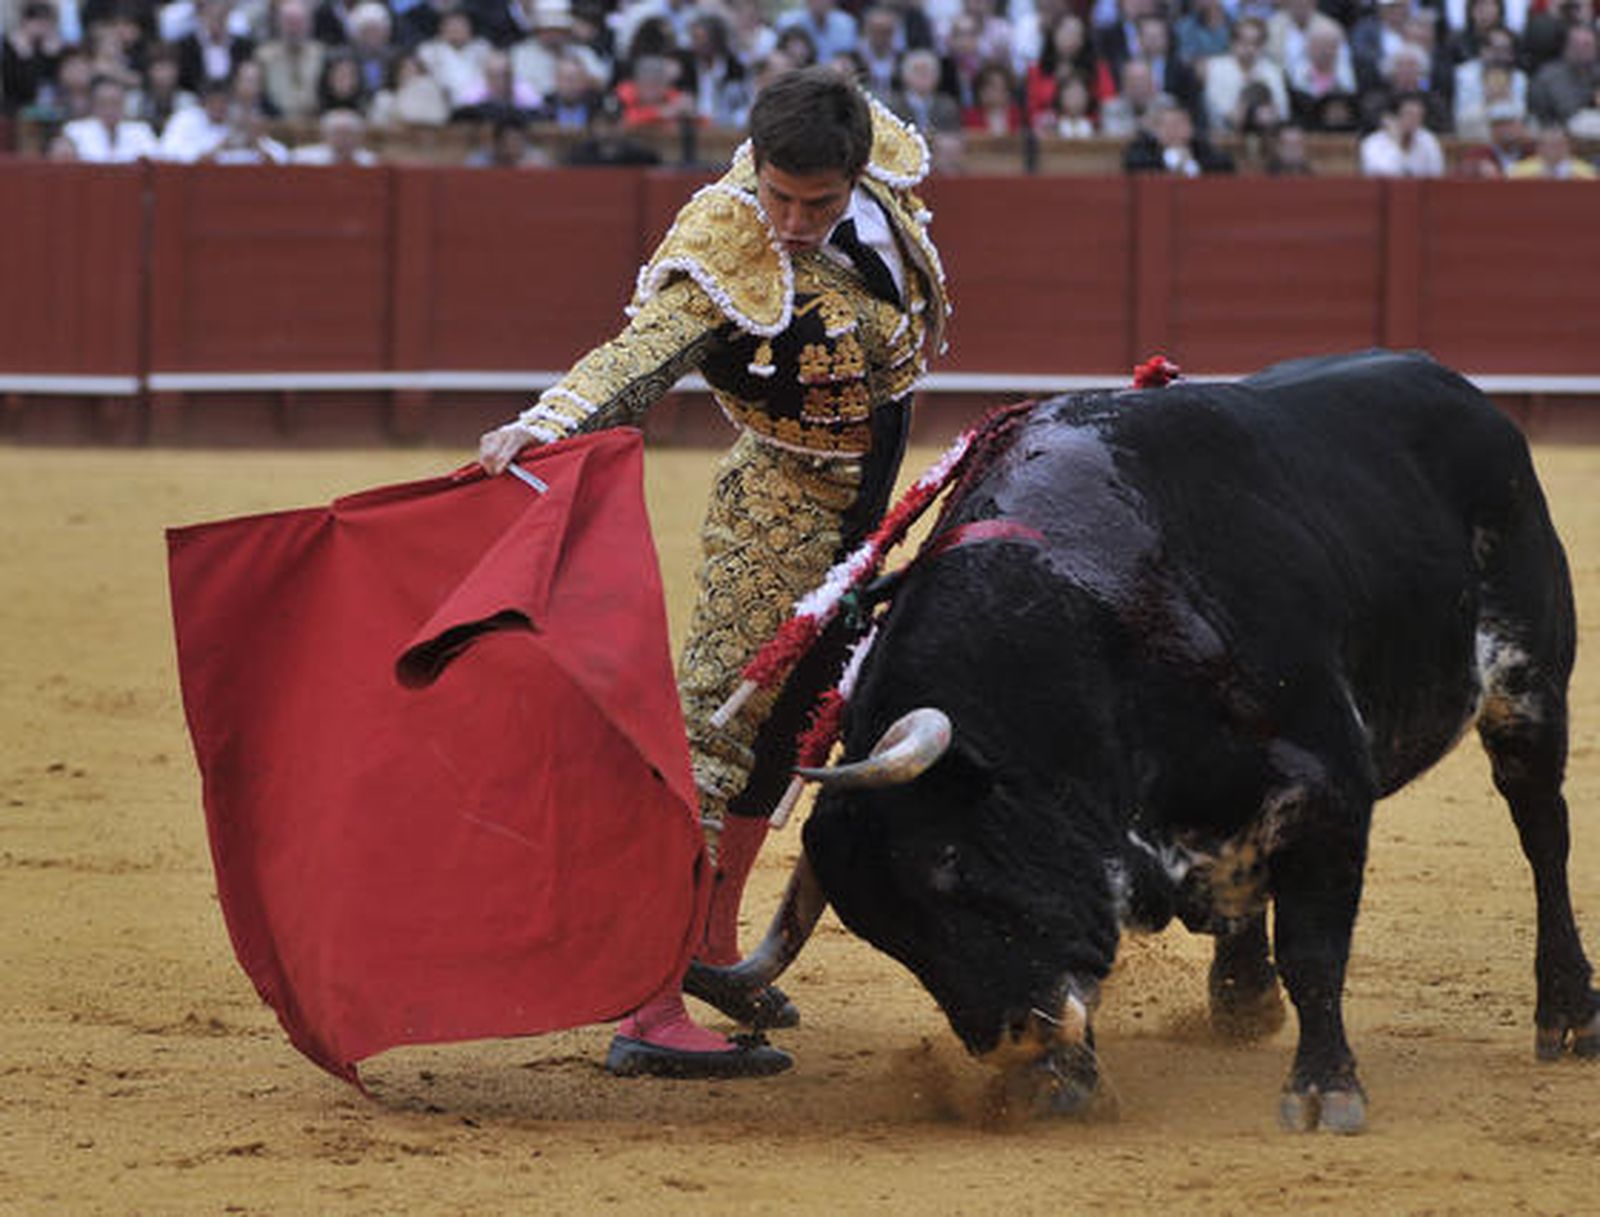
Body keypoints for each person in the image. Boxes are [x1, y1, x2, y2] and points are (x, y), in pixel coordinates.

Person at [477, 66, 950, 1079]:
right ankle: (647, 1003)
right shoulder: (726, 243)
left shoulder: (877, 178)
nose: (789, 220)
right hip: (778, 513)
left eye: (816, 202)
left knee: (789, 727)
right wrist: (541, 425)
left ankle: (707, 946)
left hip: (863, 507)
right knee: (716, 733)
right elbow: (637, 356)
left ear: (858, 176)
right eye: (777, 194)